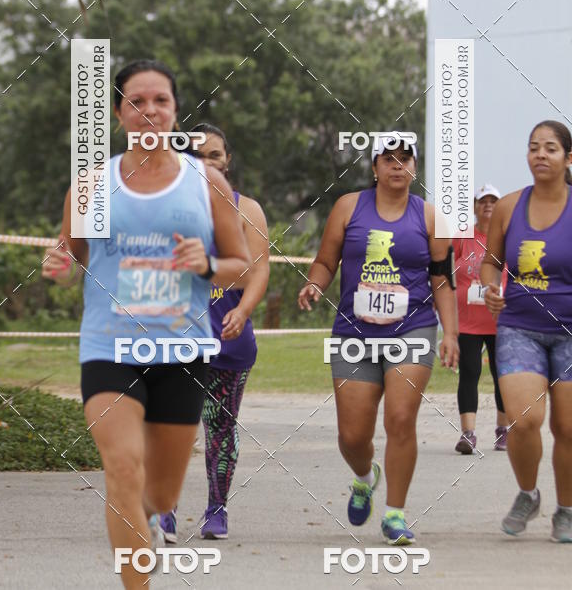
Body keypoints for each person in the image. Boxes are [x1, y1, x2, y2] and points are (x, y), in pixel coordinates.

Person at [42, 60, 250, 589]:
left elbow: (239, 265)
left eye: (161, 100)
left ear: (176, 111)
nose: (149, 110)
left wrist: (206, 263)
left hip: (182, 351)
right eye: (137, 101)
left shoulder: (207, 183)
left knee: (159, 493)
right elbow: (73, 258)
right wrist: (59, 266)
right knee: (122, 470)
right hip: (109, 347)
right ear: (119, 113)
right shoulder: (92, 185)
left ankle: (151, 518)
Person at [298, 135, 459, 546]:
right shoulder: (348, 207)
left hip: (413, 327)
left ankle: (394, 514)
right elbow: (325, 261)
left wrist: (451, 334)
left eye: (405, 158)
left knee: (400, 419)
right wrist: (314, 284)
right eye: (388, 159)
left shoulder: (431, 218)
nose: (397, 165)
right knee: (352, 437)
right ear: (374, 167)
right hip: (354, 331)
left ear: (415, 167)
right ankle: (364, 477)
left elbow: (442, 280)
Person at [160, 123, 269, 543]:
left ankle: (216, 509)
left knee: (220, 428)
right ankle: (164, 511)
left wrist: (243, 309)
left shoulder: (247, 210)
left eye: (215, 155)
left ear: (227, 161)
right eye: (196, 155)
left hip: (227, 338)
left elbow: (260, 270)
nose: (205, 163)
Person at [483, 120, 572, 543]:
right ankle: (528, 493)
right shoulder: (508, 207)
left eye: (550, 148)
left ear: (568, 158)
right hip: (519, 326)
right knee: (524, 420)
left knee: (568, 429)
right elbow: (490, 263)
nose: (540, 154)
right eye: (534, 147)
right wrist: (490, 287)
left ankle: (566, 510)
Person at [453, 184, 508, 454]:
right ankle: (468, 434)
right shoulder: (462, 237)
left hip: (500, 320)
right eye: (482, 201)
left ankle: (503, 431)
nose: (487, 205)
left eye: (493, 201)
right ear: (474, 207)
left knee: (503, 376)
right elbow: (444, 269)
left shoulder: (507, 238)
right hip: (467, 322)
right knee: (470, 372)